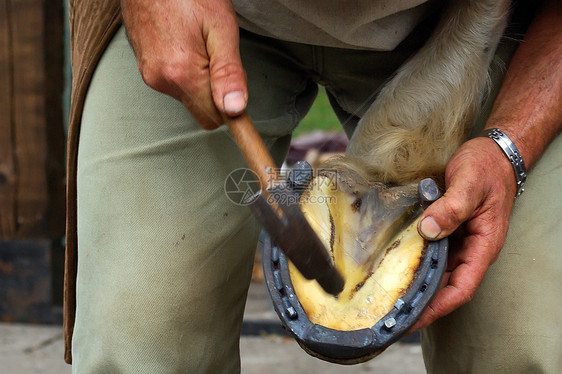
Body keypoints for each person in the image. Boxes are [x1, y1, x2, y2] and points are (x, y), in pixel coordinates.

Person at [64, 0, 561, 372]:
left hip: (467, 20)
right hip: (214, 14)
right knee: (136, 338)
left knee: (523, 343)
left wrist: (508, 147)